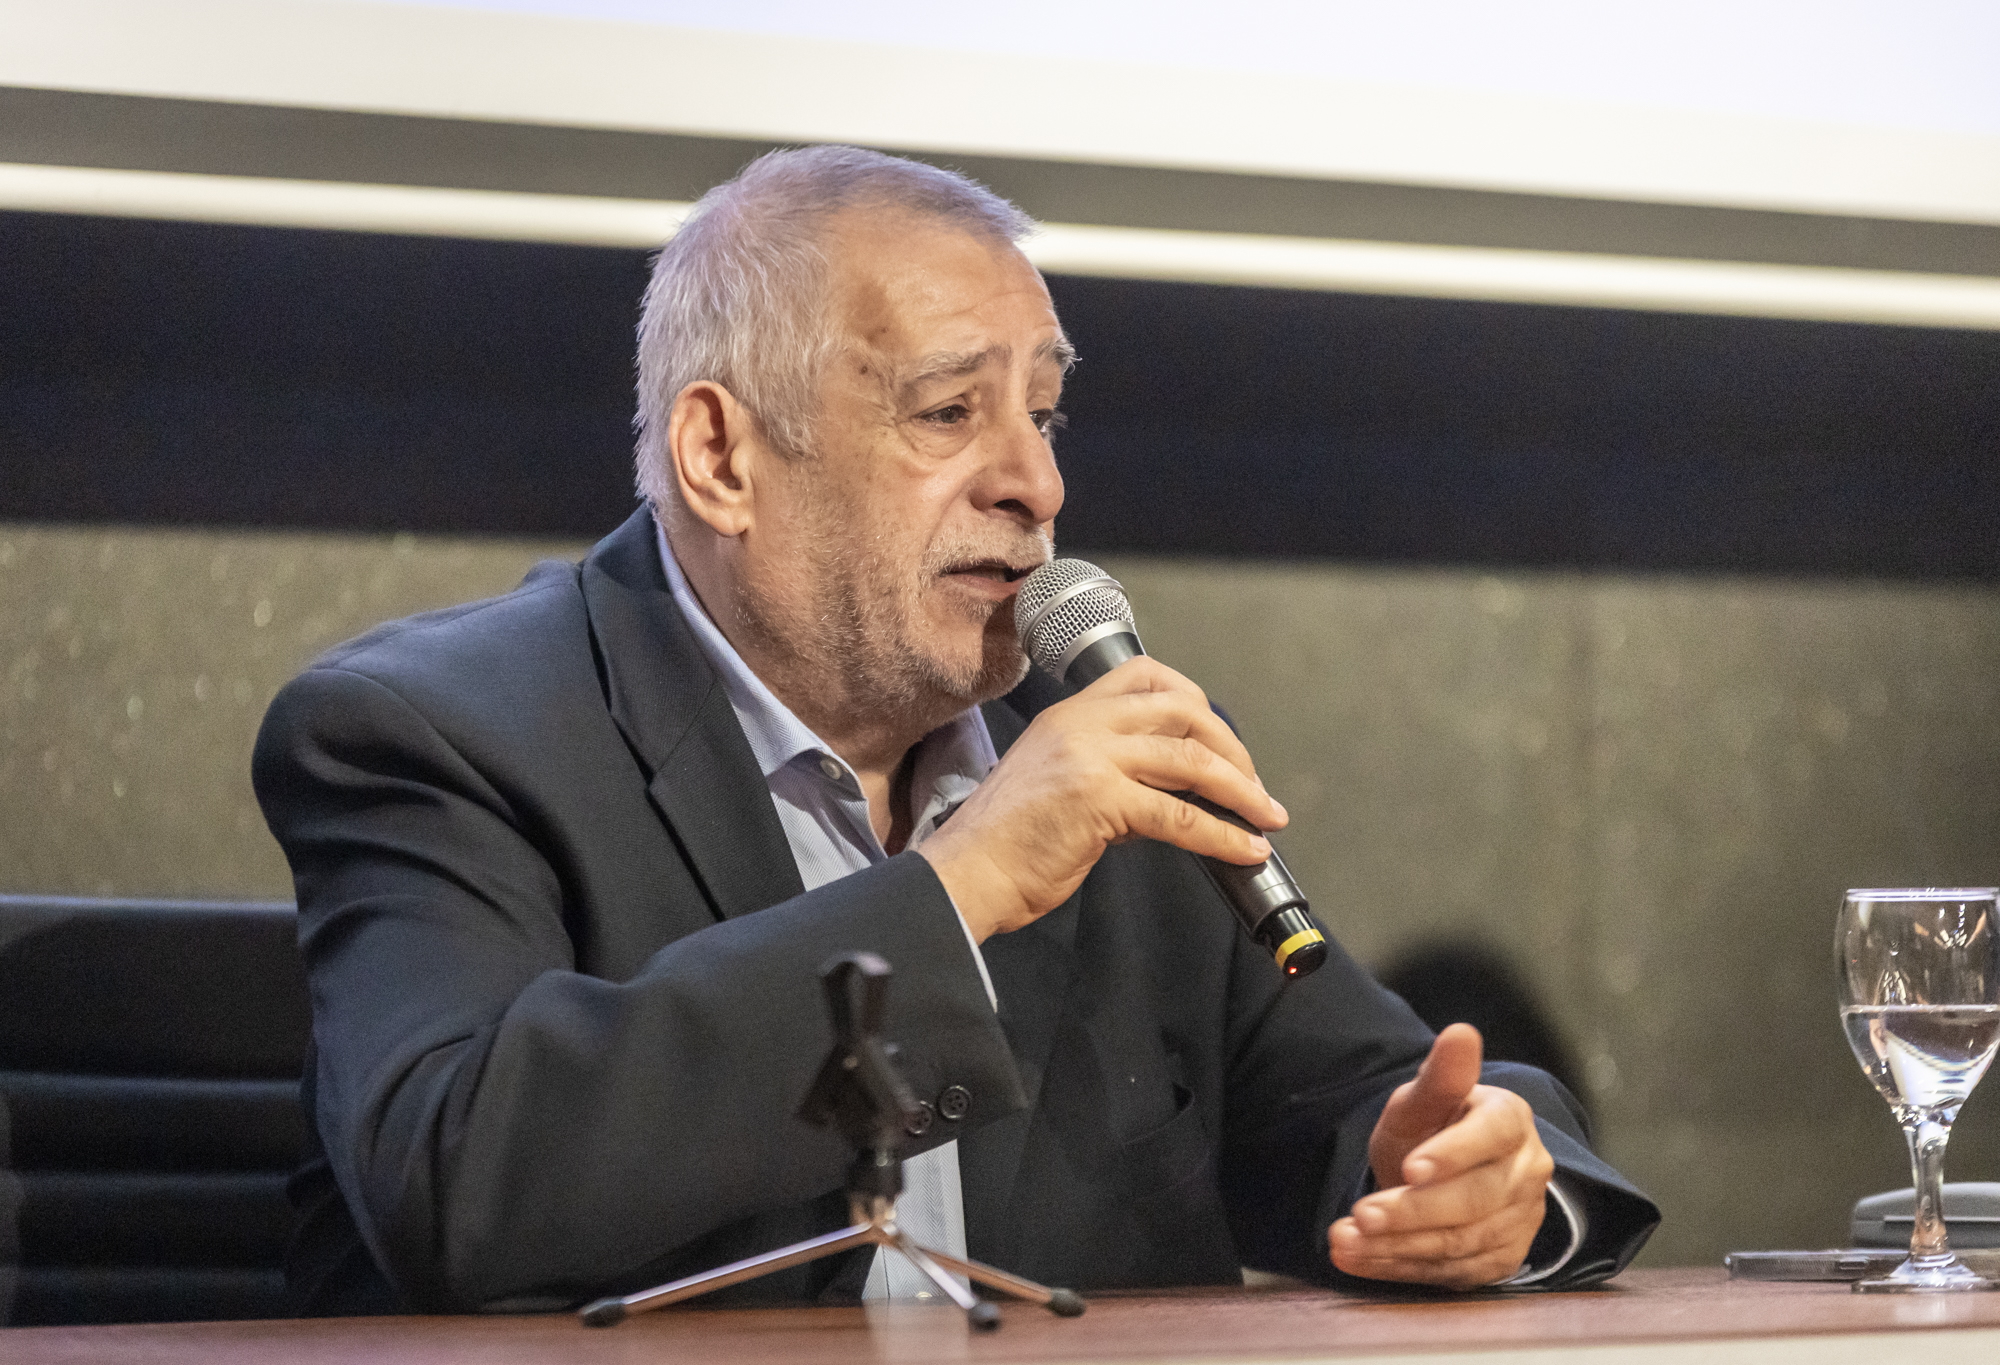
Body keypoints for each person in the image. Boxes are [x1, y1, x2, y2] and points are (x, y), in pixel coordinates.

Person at [253, 146, 1658, 1316]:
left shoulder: (1104, 745)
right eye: (949, 412)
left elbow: (1371, 1095)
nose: (1037, 483)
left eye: (1044, 413)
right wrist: (961, 883)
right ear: (722, 456)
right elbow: (456, 1178)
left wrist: (1475, 1179)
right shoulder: (435, 735)